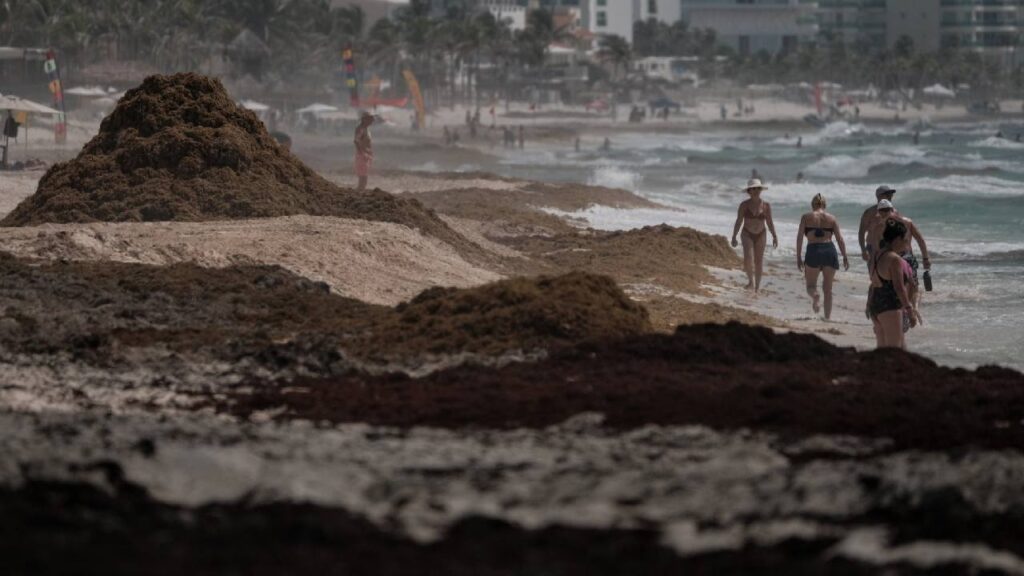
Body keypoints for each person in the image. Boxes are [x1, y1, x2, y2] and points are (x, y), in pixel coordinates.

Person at [866, 198, 931, 307]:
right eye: (884, 210)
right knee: (909, 286)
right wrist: (925, 258)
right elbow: (920, 240)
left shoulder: (881, 227)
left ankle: (907, 310)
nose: (885, 213)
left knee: (905, 286)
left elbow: (876, 250)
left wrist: (873, 268)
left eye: (885, 210)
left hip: (897, 259)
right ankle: (908, 310)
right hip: (901, 258)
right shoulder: (903, 222)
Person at [797, 193, 849, 319]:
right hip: (829, 251)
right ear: (824, 205)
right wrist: (845, 256)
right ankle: (827, 318)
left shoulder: (806, 217)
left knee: (811, 286)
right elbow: (840, 239)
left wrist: (798, 257)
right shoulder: (832, 218)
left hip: (813, 250)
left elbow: (799, 238)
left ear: (812, 205)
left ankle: (815, 296)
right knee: (828, 289)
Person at [869, 219, 920, 348]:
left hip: (876, 303)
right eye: (905, 240)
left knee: (889, 349)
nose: (906, 243)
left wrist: (869, 304)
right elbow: (899, 287)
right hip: (890, 306)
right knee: (894, 352)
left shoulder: (876, 254)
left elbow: (873, 282)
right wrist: (909, 310)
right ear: (897, 239)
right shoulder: (894, 259)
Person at [731, 178, 778, 293]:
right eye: (753, 189)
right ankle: (750, 282)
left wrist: (774, 236)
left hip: (761, 234)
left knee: (759, 261)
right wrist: (734, 236)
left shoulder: (766, 206)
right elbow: (738, 221)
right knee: (748, 258)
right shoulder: (744, 205)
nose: (756, 190)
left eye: (758, 188)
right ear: (749, 191)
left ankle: (757, 287)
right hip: (747, 233)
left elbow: (770, 222)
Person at [859, 185, 896, 267]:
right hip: (872, 248)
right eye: (888, 194)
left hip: (890, 247)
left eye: (891, 194)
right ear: (880, 196)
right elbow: (861, 232)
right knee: (875, 276)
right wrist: (863, 251)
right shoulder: (869, 213)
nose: (891, 196)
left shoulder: (894, 212)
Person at [354, 111, 375, 191]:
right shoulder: (360, 129)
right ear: (364, 120)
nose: (372, 121)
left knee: (364, 177)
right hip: (362, 155)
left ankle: (359, 192)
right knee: (363, 178)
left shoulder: (366, 129)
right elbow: (356, 141)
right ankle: (358, 192)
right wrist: (362, 153)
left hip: (366, 154)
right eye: (370, 119)